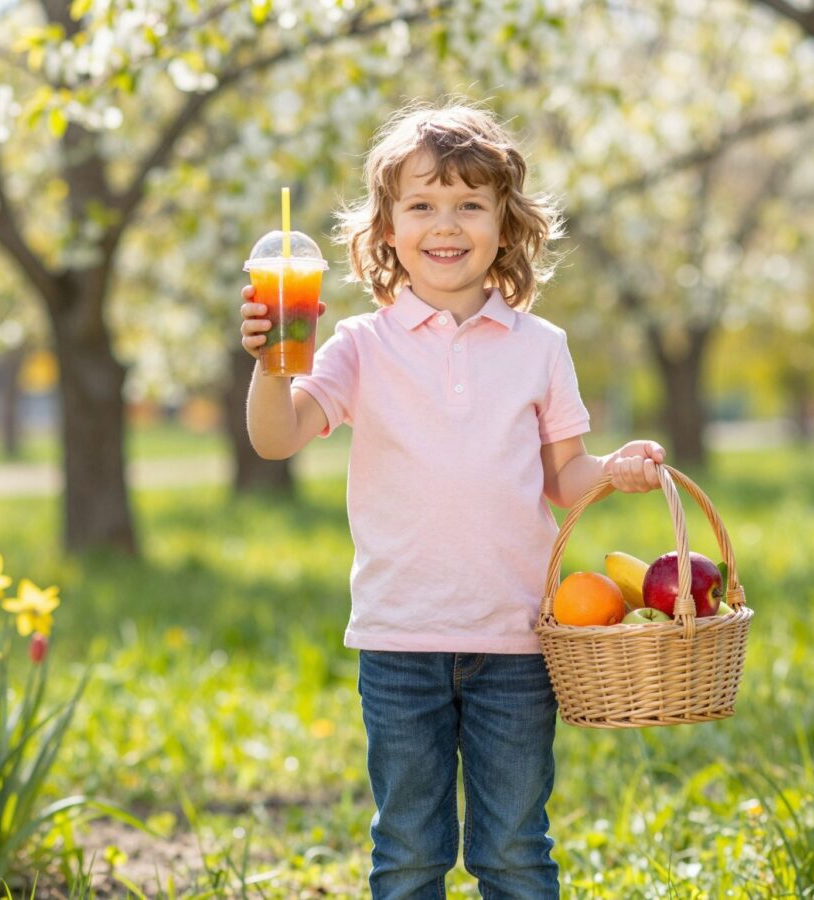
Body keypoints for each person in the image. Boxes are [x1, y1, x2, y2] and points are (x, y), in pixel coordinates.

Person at [239, 102, 665, 899]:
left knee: (514, 849)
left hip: (517, 642)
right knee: (408, 853)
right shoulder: (361, 346)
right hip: (400, 641)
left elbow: (561, 478)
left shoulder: (543, 348)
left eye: (471, 204)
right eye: (423, 204)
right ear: (388, 229)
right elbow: (276, 437)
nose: (447, 223)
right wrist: (269, 366)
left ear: (506, 224)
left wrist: (615, 468)